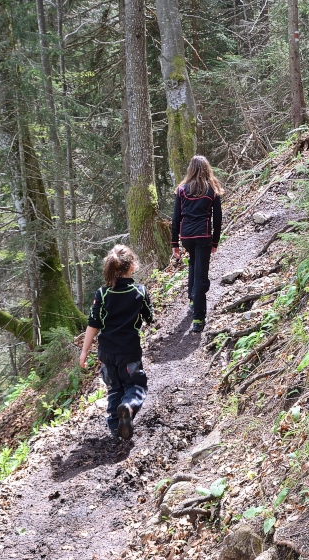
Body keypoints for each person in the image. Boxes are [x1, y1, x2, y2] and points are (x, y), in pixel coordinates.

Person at [79, 244, 154, 440]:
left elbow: (93, 324)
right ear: (132, 266)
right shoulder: (140, 291)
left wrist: (84, 352)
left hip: (107, 352)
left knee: (114, 387)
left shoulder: (102, 294)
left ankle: (115, 425)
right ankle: (128, 406)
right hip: (129, 351)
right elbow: (150, 317)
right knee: (136, 385)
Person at [171, 155, 224, 333]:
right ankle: (198, 318)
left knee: (194, 263)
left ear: (191, 170)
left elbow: (176, 218)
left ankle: (193, 299)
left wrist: (175, 243)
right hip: (203, 236)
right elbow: (218, 219)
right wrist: (215, 240)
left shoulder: (182, 190)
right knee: (201, 276)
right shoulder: (212, 190)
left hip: (186, 237)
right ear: (207, 169)